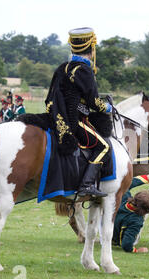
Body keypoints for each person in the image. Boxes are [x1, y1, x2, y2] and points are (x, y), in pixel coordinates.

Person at [45, 27, 113, 198]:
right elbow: (94, 102)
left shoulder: (63, 68)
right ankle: (86, 185)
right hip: (75, 120)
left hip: (57, 116)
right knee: (104, 146)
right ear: (91, 49)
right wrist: (109, 108)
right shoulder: (84, 70)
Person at [112, 174, 149, 253]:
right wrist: (136, 250)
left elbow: (126, 184)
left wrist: (147, 178)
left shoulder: (124, 196)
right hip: (115, 240)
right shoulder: (136, 221)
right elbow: (126, 245)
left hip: (103, 232)